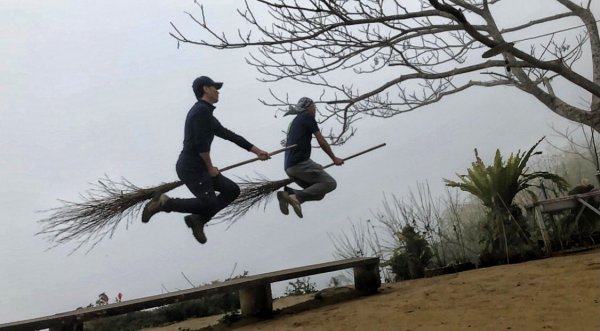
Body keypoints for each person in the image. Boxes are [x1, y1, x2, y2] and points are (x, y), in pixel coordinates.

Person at [141, 76, 270, 244]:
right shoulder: (200, 112)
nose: (217, 91)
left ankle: (199, 220)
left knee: (231, 190)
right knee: (208, 202)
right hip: (191, 167)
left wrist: (257, 151)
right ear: (205, 89)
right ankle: (164, 203)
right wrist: (210, 168)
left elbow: (228, 135)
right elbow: (201, 145)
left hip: (200, 167)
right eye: (214, 87)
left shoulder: (206, 113)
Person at [276, 97, 344, 218]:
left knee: (319, 193)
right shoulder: (307, 117)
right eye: (314, 107)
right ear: (309, 108)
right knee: (330, 183)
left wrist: (314, 167)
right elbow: (321, 140)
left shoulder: (294, 122)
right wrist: (334, 158)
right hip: (300, 164)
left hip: (289, 168)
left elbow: (297, 146)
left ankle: (289, 194)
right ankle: (296, 197)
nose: (315, 110)